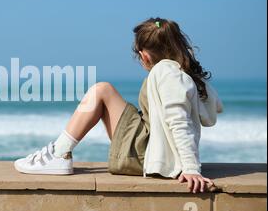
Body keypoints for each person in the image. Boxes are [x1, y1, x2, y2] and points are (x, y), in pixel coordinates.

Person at [14, 17, 223, 193]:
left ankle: (59, 153)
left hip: (147, 154)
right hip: (148, 148)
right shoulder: (183, 75)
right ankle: (59, 152)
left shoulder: (166, 73)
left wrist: (191, 168)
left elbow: (179, 121)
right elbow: (213, 109)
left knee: (102, 90)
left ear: (145, 55)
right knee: (109, 96)